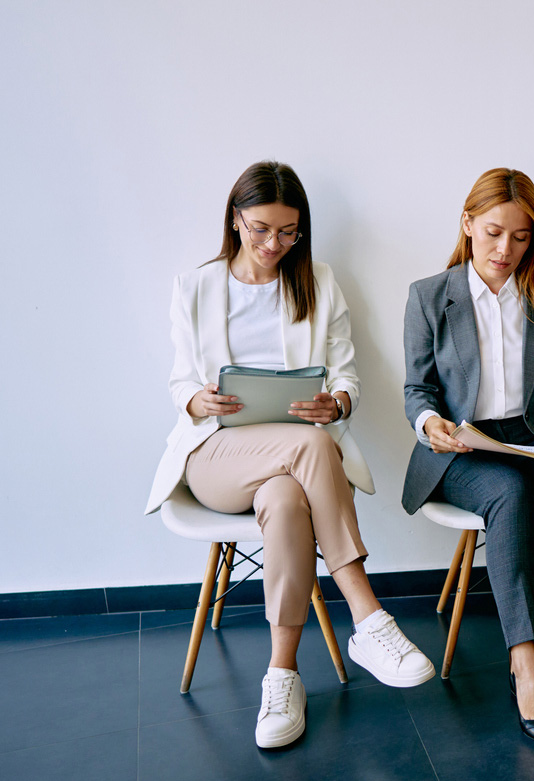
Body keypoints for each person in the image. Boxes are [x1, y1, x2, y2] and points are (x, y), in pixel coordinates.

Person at [145, 161, 435, 749]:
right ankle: (368, 617)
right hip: (216, 456)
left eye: (287, 231)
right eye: (260, 229)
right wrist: (198, 399)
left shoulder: (319, 282)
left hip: (292, 468)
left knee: (285, 496)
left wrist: (339, 402)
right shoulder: (194, 287)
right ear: (235, 220)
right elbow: (179, 383)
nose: (273, 244)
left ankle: (282, 676)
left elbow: (347, 372)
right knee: (307, 446)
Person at [401, 168, 534, 746]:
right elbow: (416, 389)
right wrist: (429, 423)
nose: (505, 250)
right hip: (462, 448)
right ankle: (526, 660)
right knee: (509, 494)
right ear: (468, 225)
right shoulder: (429, 296)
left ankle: (520, 615)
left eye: (521, 237)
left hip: (530, 435)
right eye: (494, 233)